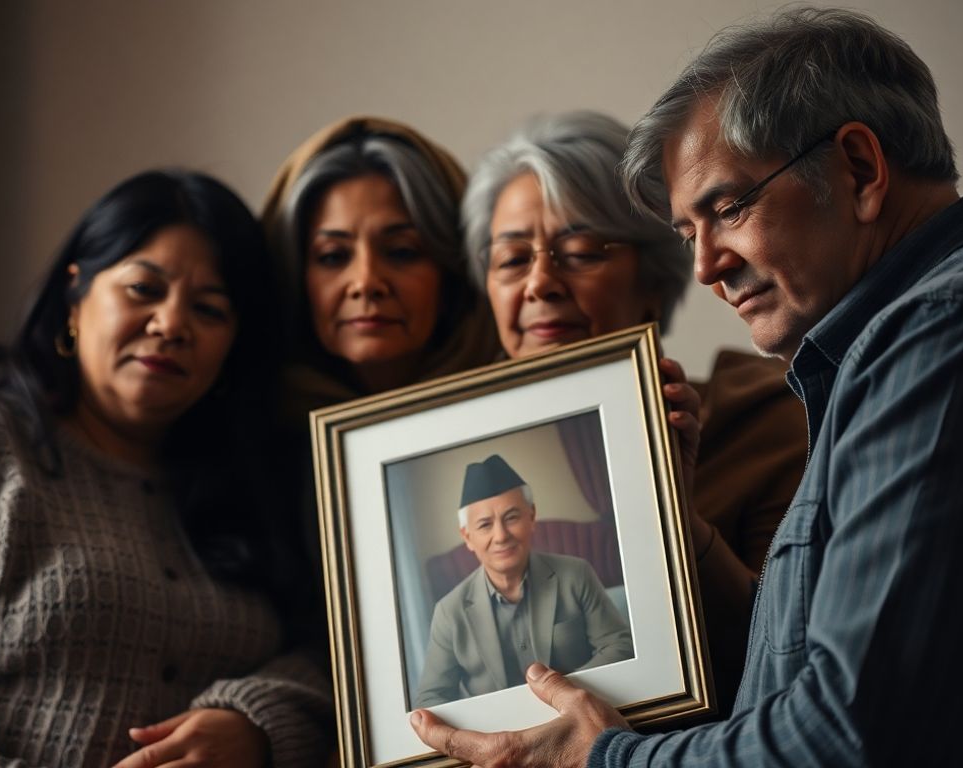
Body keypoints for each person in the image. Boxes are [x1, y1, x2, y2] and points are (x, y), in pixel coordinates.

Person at [412, 7, 963, 766]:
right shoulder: (907, 345)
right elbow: (801, 684)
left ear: (859, 169)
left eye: (727, 209)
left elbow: (850, 739)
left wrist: (603, 760)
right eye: (689, 234)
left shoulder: (957, 335)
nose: (707, 268)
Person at [0, 170, 333, 768]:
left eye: (209, 309)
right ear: (76, 296)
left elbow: (333, 654)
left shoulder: (258, 479)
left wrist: (255, 722)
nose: (170, 324)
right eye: (144, 288)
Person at [461, 110, 807, 706]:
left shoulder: (767, 417)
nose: (540, 284)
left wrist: (676, 518)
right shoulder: (442, 450)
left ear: (654, 278)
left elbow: (791, 666)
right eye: (513, 260)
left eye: (580, 252)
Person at [263, 116, 499, 414]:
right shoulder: (250, 437)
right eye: (333, 256)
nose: (366, 282)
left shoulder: (518, 408)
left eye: (401, 252)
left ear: (453, 270)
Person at [414, 455, 632, 707]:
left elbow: (620, 645)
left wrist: (560, 695)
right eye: (485, 525)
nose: (501, 536)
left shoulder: (576, 574)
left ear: (531, 517)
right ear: (467, 537)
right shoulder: (449, 612)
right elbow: (430, 699)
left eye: (511, 518)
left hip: (578, 716)